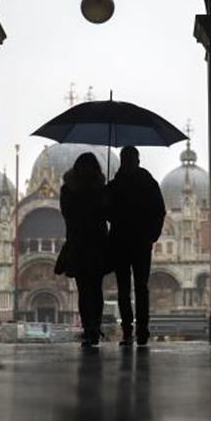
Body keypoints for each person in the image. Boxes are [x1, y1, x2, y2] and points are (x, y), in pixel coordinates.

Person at [106, 145, 167, 346]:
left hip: (140, 242)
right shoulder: (114, 186)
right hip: (121, 243)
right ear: (122, 162)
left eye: (130, 159)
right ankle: (127, 330)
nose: (128, 163)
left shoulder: (148, 184)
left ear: (137, 161)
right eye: (125, 160)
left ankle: (142, 329)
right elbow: (105, 211)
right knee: (124, 288)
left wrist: (152, 236)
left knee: (141, 287)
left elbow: (159, 211)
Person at [59, 152, 110, 347]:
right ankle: (90, 328)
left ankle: (93, 327)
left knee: (91, 289)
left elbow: (107, 213)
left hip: (88, 243)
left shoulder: (92, 189)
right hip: (87, 242)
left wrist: (103, 198)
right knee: (90, 289)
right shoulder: (73, 190)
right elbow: (69, 214)